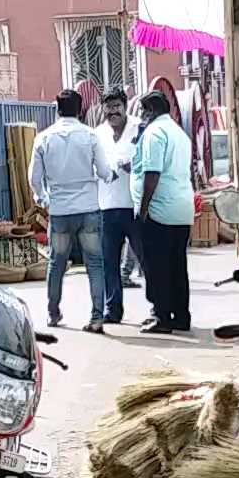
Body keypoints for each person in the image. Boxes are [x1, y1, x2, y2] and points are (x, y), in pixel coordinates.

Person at [28, 89, 112, 331]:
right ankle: (97, 317)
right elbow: (105, 172)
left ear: (57, 108)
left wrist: (43, 198)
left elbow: (34, 177)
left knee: (57, 263)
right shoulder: (90, 136)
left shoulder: (44, 138)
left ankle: (53, 313)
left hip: (60, 211)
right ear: (81, 109)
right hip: (88, 210)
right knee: (94, 264)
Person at [131, 90, 195, 334]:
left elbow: (152, 173)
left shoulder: (154, 133)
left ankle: (161, 316)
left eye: (142, 112)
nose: (140, 117)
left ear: (149, 111)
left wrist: (143, 209)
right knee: (177, 265)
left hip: (159, 210)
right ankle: (180, 316)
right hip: (181, 209)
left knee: (157, 266)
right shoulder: (179, 133)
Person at [96, 87, 143, 323]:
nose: (112, 111)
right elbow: (91, 164)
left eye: (117, 106)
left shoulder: (139, 128)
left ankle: (158, 309)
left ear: (125, 107)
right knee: (109, 262)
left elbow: (148, 159)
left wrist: (133, 166)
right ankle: (112, 310)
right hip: (107, 206)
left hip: (134, 206)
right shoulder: (98, 134)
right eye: (109, 107)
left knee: (146, 259)